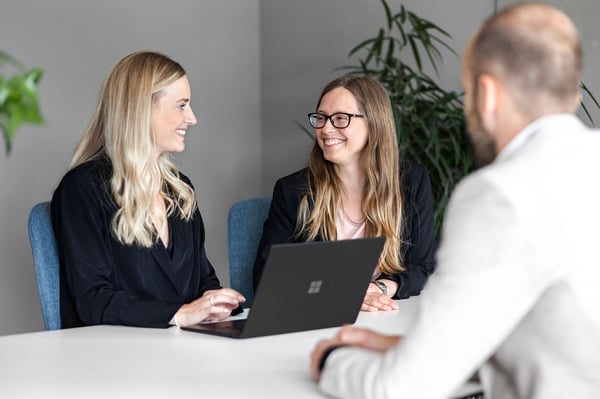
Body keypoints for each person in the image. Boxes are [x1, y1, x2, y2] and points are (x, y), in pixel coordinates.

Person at [311, 3, 600, 398]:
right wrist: (403, 349)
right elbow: (559, 336)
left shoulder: (500, 194)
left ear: (487, 92)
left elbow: (400, 389)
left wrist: (332, 359)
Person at [51, 51, 245, 329]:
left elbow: (204, 280)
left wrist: (216, 301)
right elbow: (92, 300)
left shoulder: (180, 191)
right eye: (181, 105)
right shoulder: (83, 188)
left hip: (182, 350)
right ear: (142, 109)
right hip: (117, 357)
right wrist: (179, 314)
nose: (192, 118)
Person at [253, 76, 436, 311]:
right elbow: (266, 281)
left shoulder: (411, 182)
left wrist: (378, 289)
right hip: (316, 320)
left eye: (340, 118)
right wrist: (344, 296)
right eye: (321, 118)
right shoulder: (293, 191)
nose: (325, 129)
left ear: (374, 123)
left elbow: (422, 267)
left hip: (385, 314)